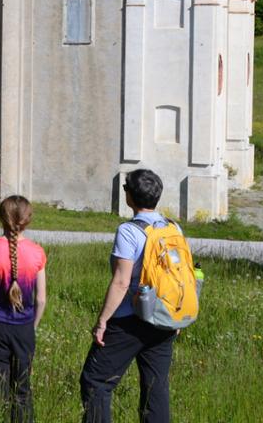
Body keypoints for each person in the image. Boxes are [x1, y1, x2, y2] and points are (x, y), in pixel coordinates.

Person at [80, 168, 178, 423]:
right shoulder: (173, 228)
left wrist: (102, 321)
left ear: (130, 197)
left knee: (95, 380)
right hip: (163, 318)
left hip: (129, 319)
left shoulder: (128, 231)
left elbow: (122, 281)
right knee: (156, 389)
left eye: (125, 189)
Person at [0, 195, 47, 423]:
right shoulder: (37, 252)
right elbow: (42, 299)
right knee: (23, 390)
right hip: (24, 329)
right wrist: (31, 326)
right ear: (28, 220)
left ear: (1, 218)